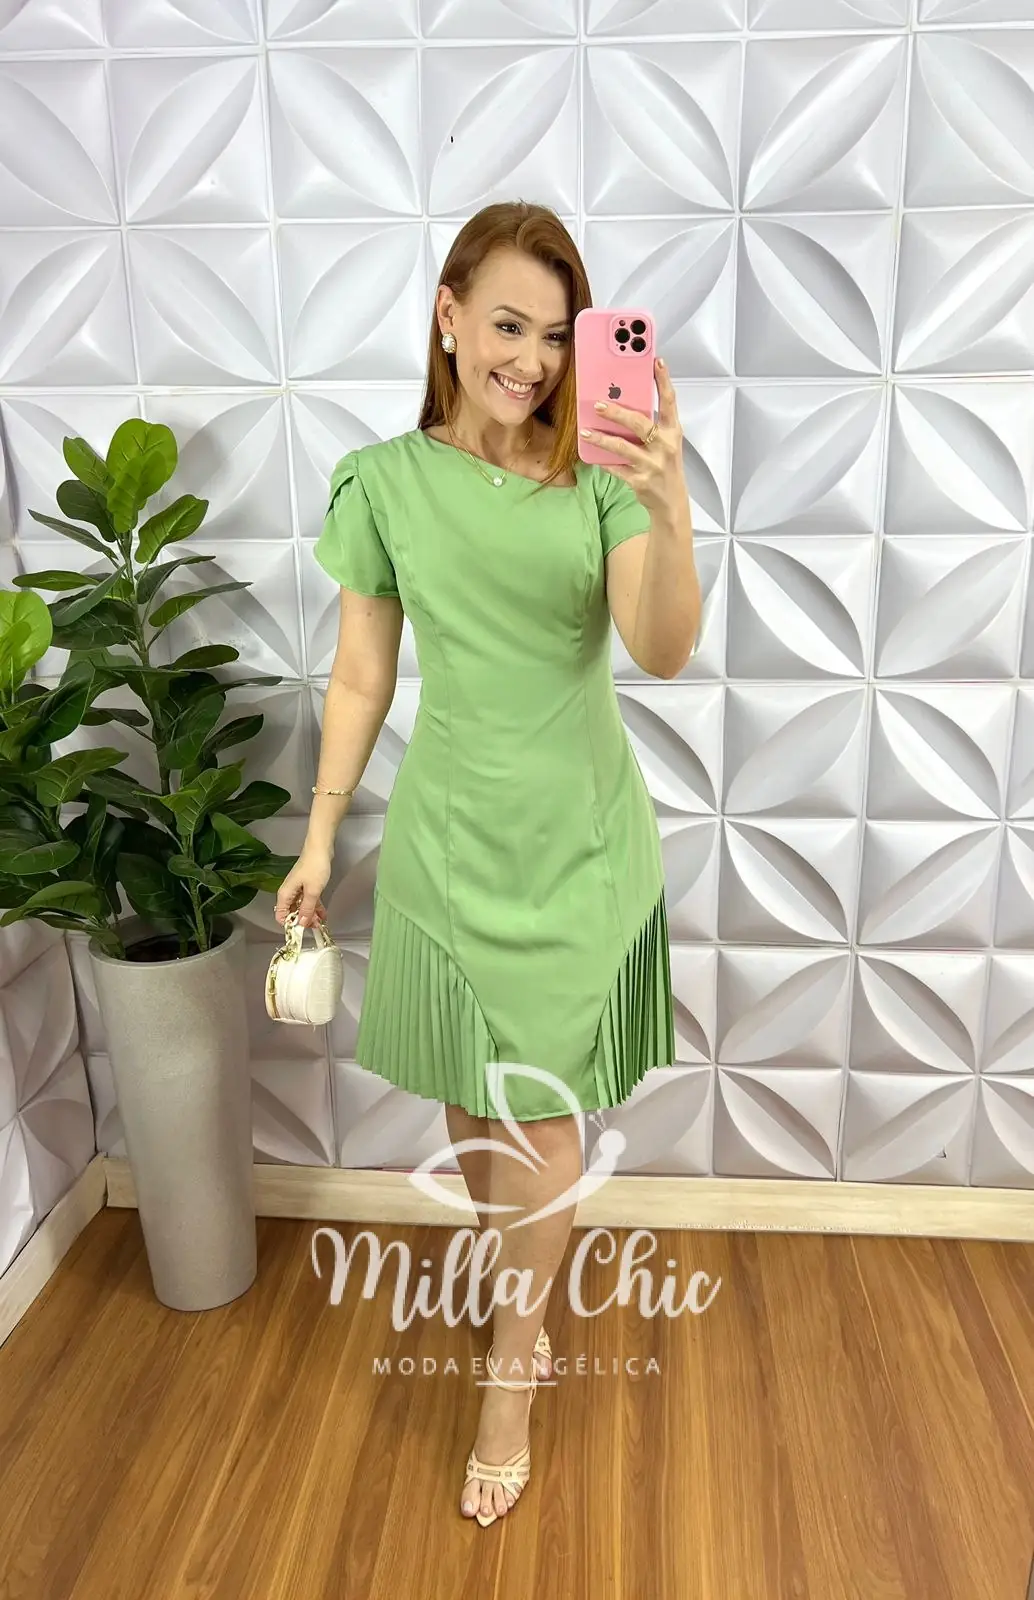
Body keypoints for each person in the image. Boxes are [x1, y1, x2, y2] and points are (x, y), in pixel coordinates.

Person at [275, 200, 701, 1528]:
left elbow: (662, 649)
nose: (532, 360)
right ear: (449, 317)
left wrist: (670, 505)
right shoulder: (382, 483)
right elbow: (361, 674)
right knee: (470, 1104)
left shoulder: (601, 482)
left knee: (541, 1113)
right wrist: (318, 834)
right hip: (449, 843)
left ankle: (511, 1376)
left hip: (580, 845)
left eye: (558, 336)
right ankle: (514, 1276)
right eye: (508, 325)